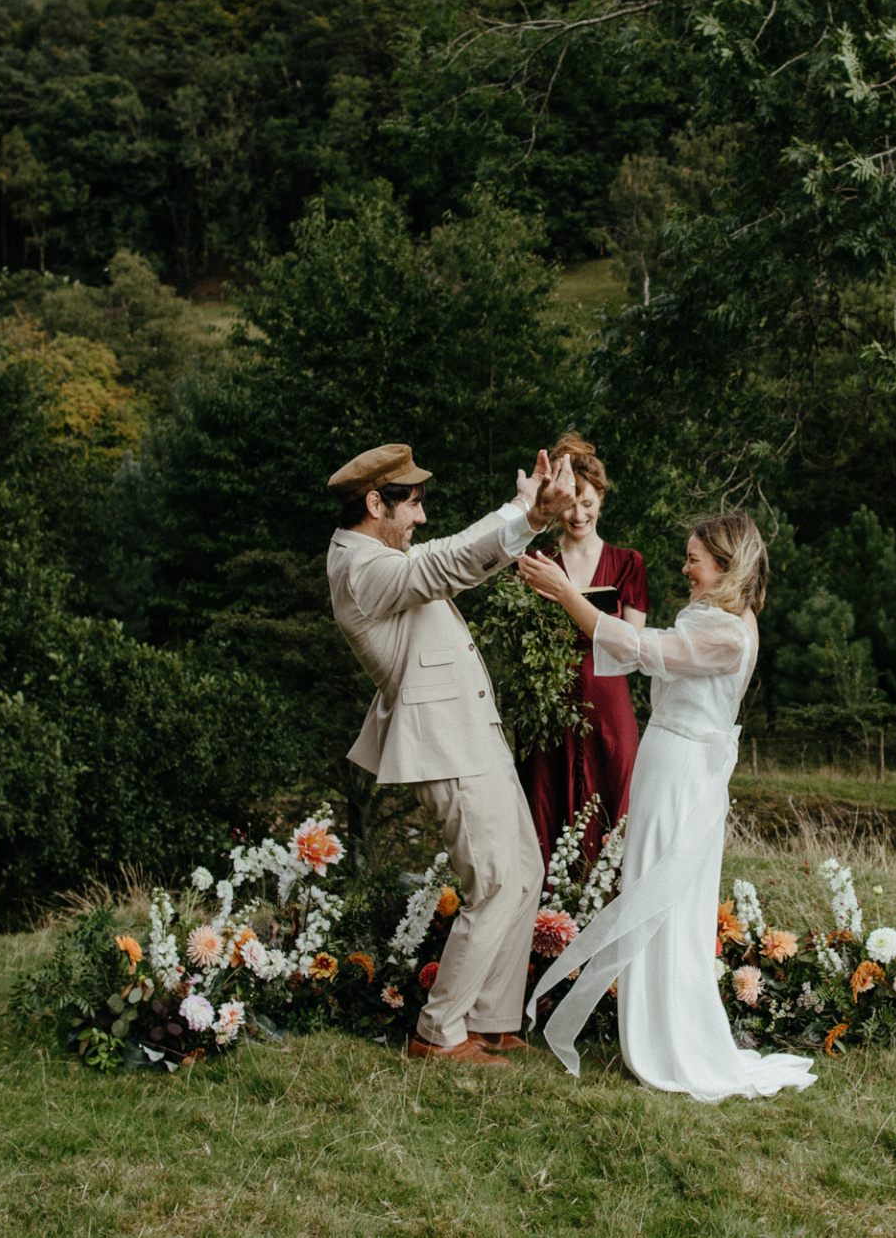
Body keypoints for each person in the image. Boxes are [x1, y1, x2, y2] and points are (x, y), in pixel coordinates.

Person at [515, 513, 817, 1102]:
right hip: (670, 763)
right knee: (652, 891)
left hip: (683, 774)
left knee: (665, 901)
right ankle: (651, 1027)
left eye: (694, 559)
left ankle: (668, 1039)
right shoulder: (722, 618)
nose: (683, 568)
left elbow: (636, 647)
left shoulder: (727, 634)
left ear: (726, 568)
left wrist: (567, 594)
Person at [326, 442, 573, 1067]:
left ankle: (489, 1018)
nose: (421, 518)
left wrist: (520, 504)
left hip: (469, 732)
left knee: (523, 868)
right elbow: (446, 563)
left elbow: (440, 552)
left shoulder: (380, 554)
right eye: (412, 505)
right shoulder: (362, 568)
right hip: (446, 742)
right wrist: (532, 519)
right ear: (375, 502)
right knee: (492, 881)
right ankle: (438, 1034)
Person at [516, 432, 648, 867]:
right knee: (546, 808)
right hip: (551, 705)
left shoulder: (628, 562)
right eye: (570, 504)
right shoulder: (537, 559)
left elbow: (632, 648)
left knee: (614, 811)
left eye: (587, 503)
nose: (578, 514)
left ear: (602, 500)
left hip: (608, 702)